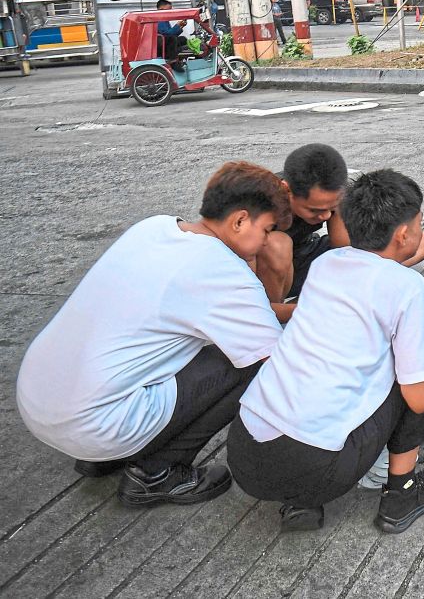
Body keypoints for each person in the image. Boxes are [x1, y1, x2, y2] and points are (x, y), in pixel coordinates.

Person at [15, 162, 290, 507]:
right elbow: (277, 360)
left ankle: (103, 457)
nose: (267, 243)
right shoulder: (224, 271)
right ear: (239, 220)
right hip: (98, 424)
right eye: (267, 230)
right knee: (254, 363)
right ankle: (157, 472)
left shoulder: (152, 227)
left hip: (38, 402)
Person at [228, 169, 424, 534]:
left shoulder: (325, 264)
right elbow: (421, 398)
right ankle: (402, 491)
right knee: (417, 377)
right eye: (420, 224)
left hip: (245, 453)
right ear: (404, 234)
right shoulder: (409, 287)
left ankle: (300, 504)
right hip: (315, 466)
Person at [254, 143, 424, 317]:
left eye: (331, 209)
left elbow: (371, 257)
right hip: (260, 277)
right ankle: (275, 323)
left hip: (305, 259)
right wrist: (308, 312)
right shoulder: (253, 211)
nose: (324, 216)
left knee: (376, 259)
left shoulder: (335, 200)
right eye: (315, 211)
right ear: (286, 190)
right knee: (278, 244)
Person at [156, 0, 190, 65]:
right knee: (172, 38)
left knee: (182, 39)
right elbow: (168, 34)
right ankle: (173, 60)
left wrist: (180, 26)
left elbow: (171, 32)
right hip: (161, 45)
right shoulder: (159, 19)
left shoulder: (165, 19)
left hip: (166, 42)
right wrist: (177, 26)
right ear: (161, 9)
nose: (170, 12)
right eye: (168, 9)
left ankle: (180, 56)